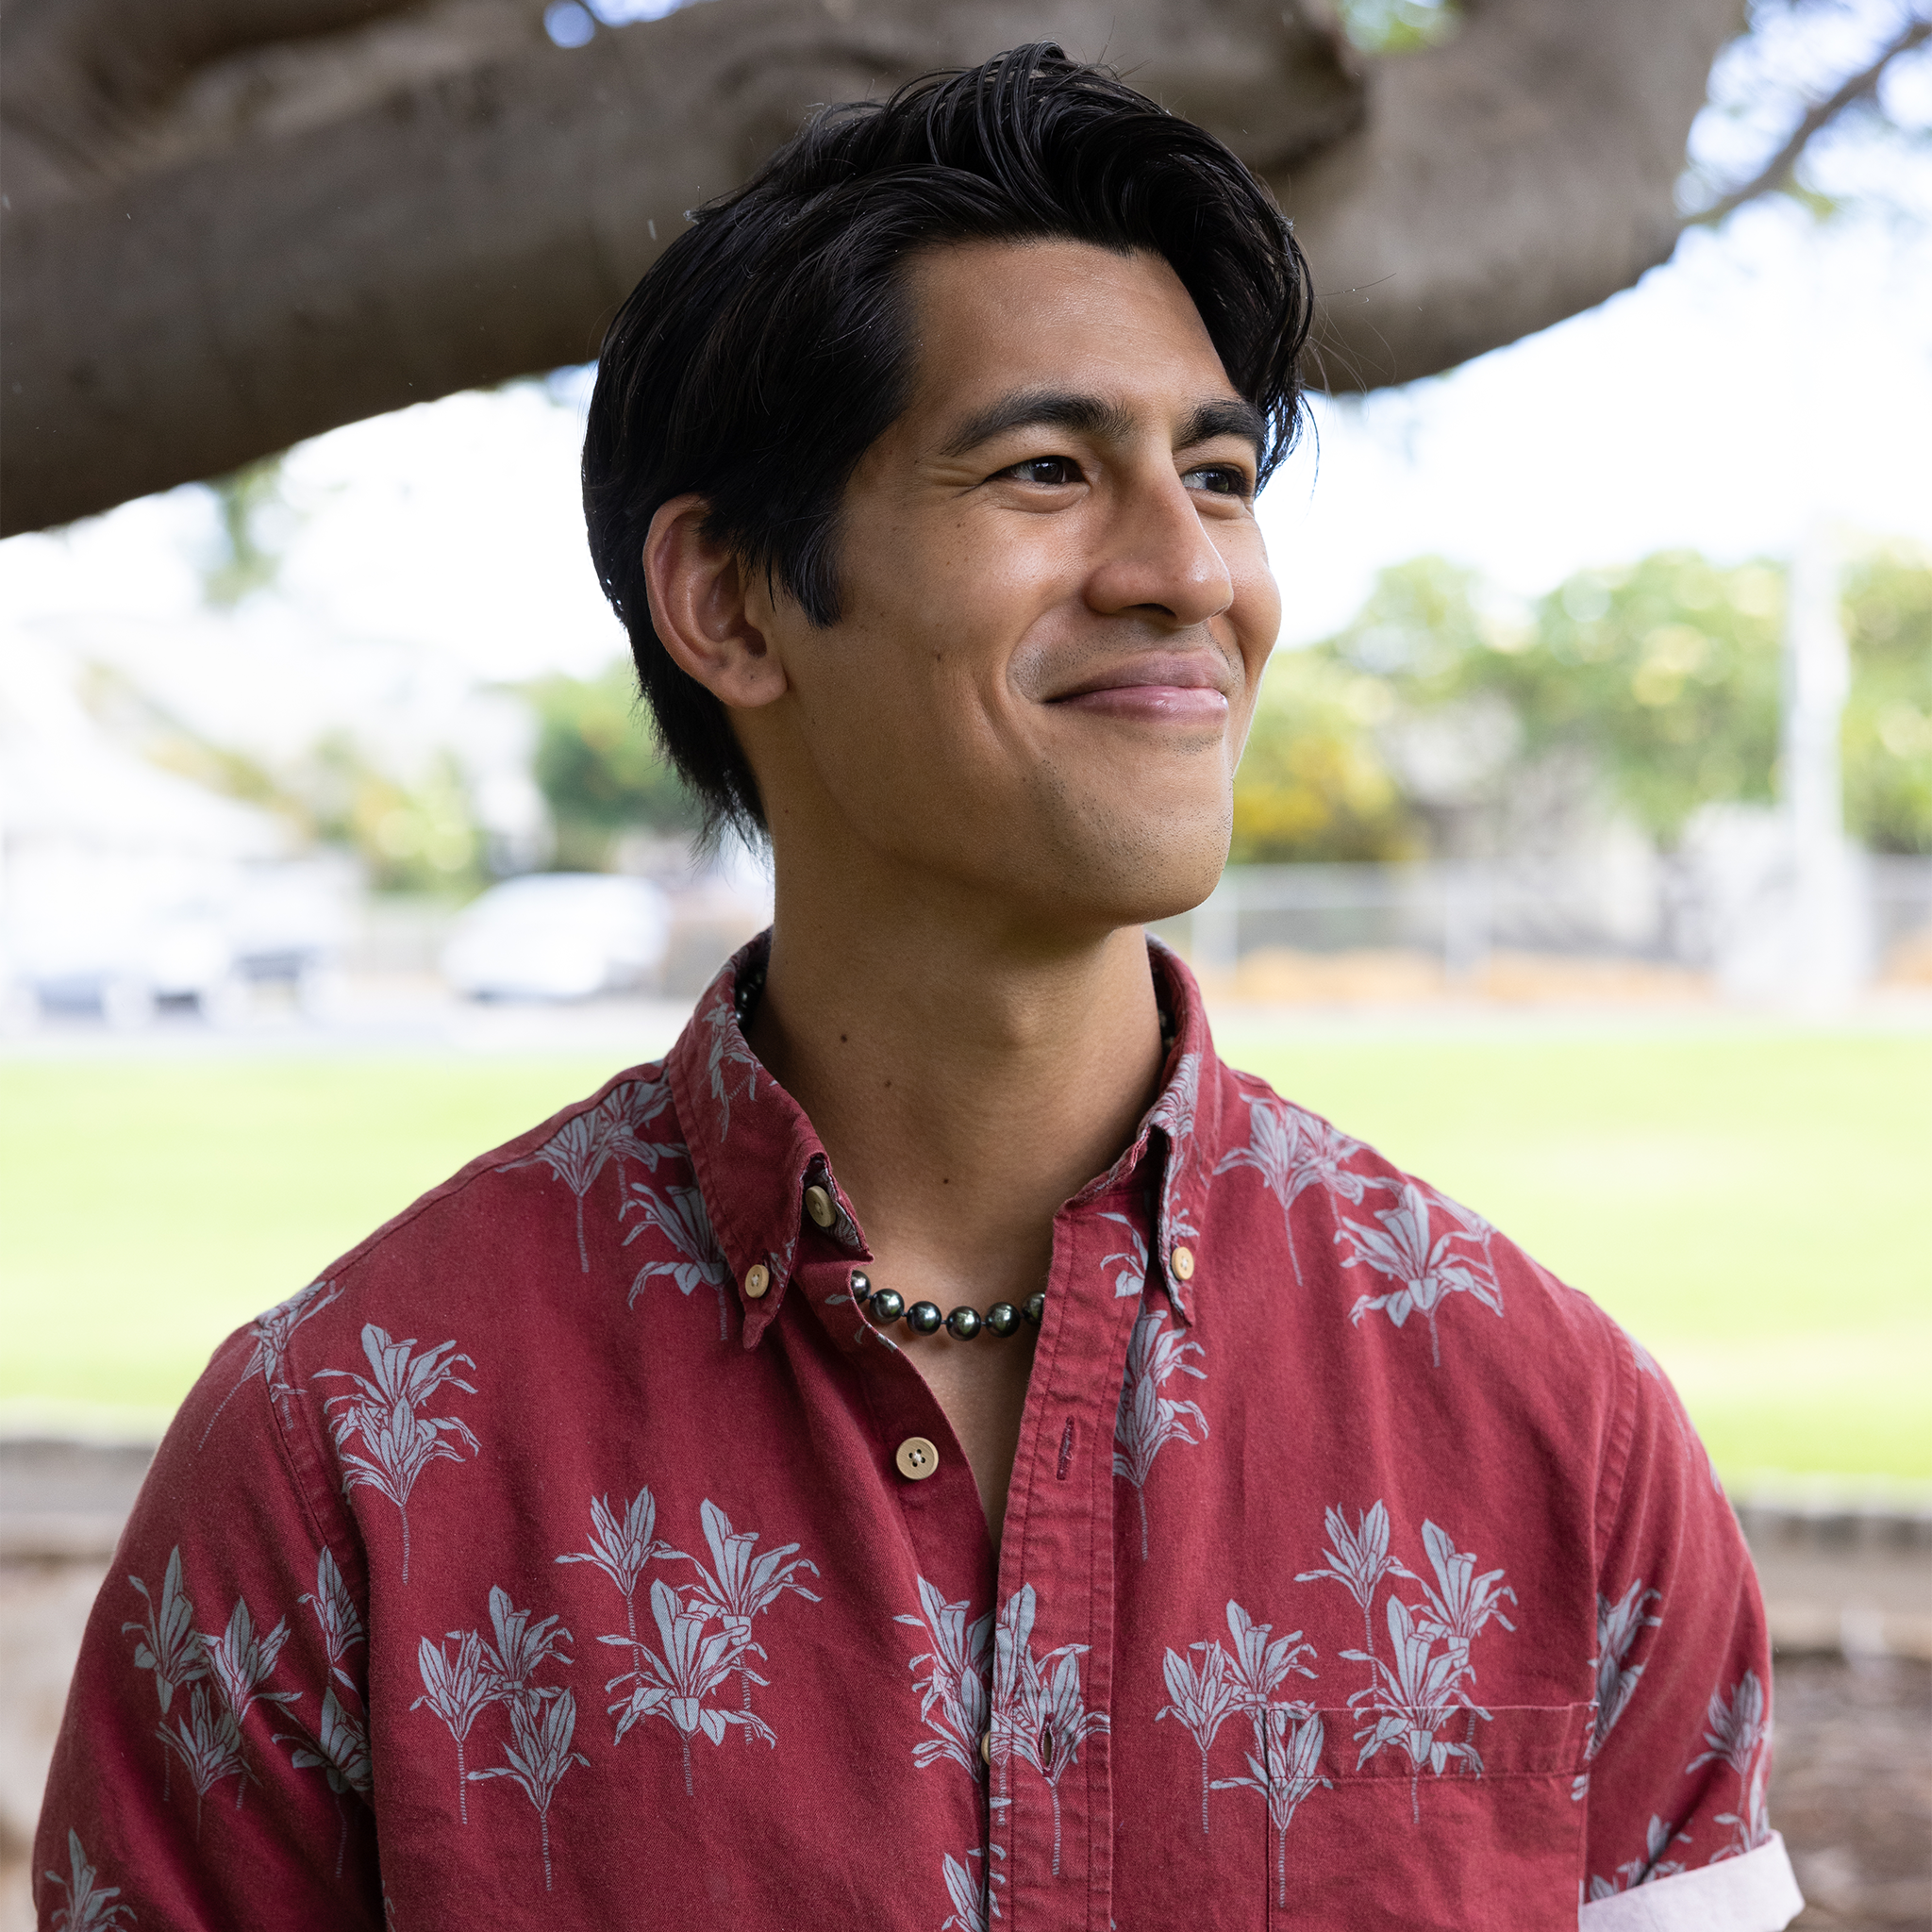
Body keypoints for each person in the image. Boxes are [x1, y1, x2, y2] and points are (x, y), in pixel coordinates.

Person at [37, 46, 1803, 1931]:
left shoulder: (1552, 1430)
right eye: (1046, 469)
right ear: (726, 601)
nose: (1187, 567)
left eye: (1217, 473)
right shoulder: (346, 1457)